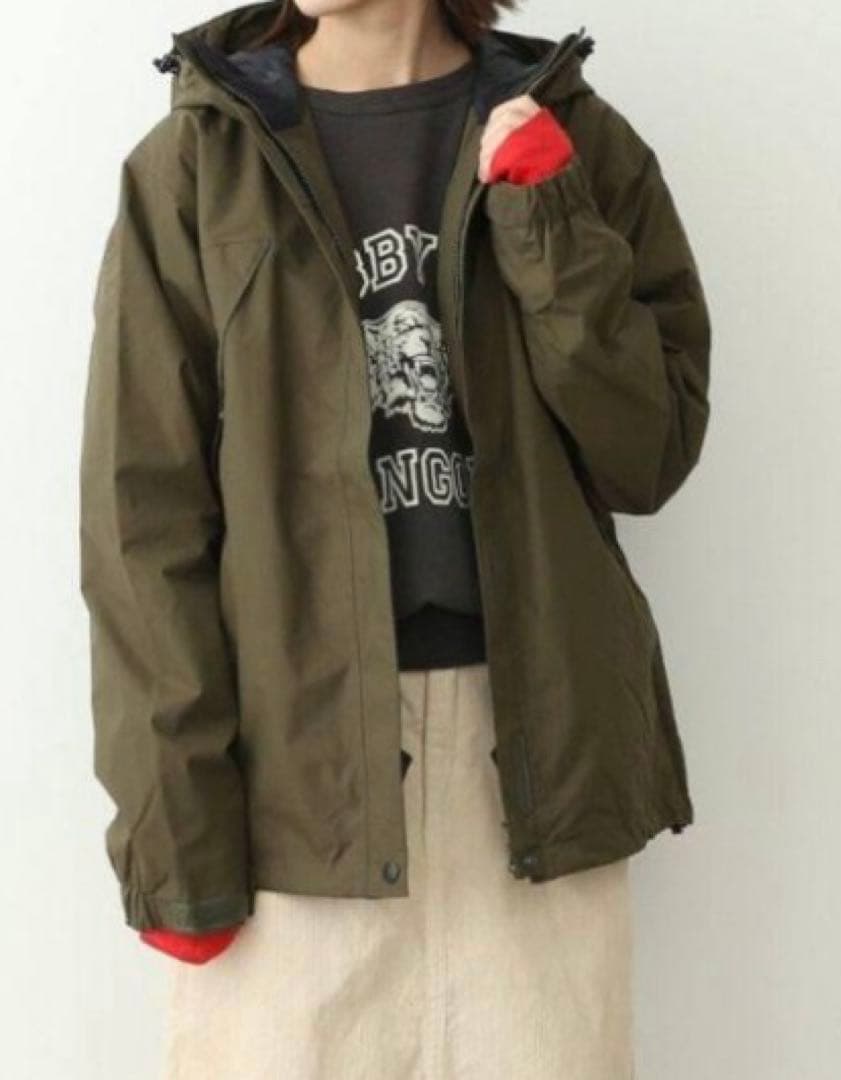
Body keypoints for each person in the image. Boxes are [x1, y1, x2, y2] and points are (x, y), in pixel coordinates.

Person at [79, 0, 711, 1074]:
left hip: (537, 765)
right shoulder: (196, 163)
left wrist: (552, 225)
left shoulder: (577, 138)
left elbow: (645, 457)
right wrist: (175, 831)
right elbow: (142, 525)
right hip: (287, 779)